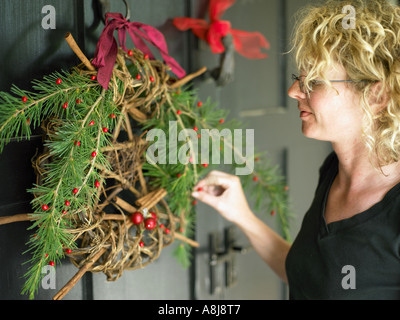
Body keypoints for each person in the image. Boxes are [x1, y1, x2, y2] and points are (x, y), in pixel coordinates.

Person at [191, 0, 400, 299]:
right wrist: (241, 215)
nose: (293, 91)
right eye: (298, 78)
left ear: (376, 95)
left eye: (314, 81)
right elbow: (307, 277)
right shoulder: (333, 172)